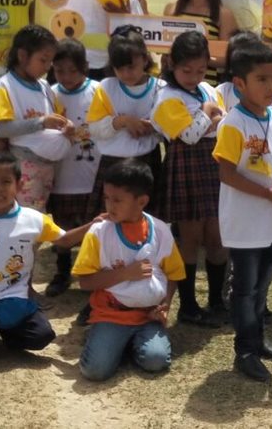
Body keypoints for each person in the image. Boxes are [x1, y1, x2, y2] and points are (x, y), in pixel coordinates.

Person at [0, 154, 93, 359]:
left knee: (41, 336)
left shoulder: (34, 220)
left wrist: (93, 225)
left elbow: (64, 240)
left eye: (6, 182)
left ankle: (5, 332)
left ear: (19, 185)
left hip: (13, 296)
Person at [213, 42, 272, 382]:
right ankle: (245, 350)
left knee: (263, 283)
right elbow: (227, 172)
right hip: (244, 221)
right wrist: (269, 194)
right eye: (260, 79)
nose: (270, 86)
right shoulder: (233, 124)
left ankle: (258, 337)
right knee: (245, 287)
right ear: (239, 84)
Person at [73, 159, 184, 381]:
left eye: (117, 200)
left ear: (141, 201)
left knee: (156, 362)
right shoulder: (99, 233)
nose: (109, 206)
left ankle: (121, 345)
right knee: (94, 372)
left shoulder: (161, 231)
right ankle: (105, 339)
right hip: (111, 315)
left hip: (147, 317)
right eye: (107, 198)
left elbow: (174, 274)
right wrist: (125, 274)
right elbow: (84, 282)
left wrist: (165, 305)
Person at [151, 31, 228, 327]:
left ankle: (217, 301)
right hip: (186, 169)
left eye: (199, 69)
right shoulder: (167, 97)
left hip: (213, 167)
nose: (194, 76)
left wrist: (209, 118)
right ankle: (189, 306)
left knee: (216, 237)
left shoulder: (209, 89)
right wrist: (209, 116)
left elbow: (223, 125)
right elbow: (190, 136)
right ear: (172, 64)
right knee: (190, 239)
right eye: (187, 70)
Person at [0, 25, 71, 211]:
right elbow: (2, 129)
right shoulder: (4, 86)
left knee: (38, 217)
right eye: (43, 60)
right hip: (25, 165)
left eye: (50, 61)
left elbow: (58, 118)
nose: (47, 67)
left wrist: (68, 129)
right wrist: (41, 122)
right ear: (22, 56)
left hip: (48, 166)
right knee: (28, 219)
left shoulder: (44, 86)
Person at [87, 27, 164, 223]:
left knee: (145, 215)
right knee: (110, 216)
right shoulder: (106, 88)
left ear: (145, 60)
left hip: (146, 161)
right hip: (113, 162)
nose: (126, 73)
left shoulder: (160, 88)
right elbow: (94, 128)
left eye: (131, 66)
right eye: (119, 68)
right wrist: (121, 121)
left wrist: (154, 127)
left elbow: (169, 127)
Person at [45, 38, 101, 297]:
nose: (66, 77)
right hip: (62, 173)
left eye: (73, 71)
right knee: (62, 227)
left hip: (91, 174)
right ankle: (62, 271)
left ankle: (92, 271)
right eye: (60, 70)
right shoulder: (50, 93)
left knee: (93, 227)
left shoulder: (99, 91)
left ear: (85, 68)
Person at [164, 0, 237, 84]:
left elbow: (228, 59)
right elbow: (162, 50)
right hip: (172, 86)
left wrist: (195, 58)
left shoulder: (224, 15)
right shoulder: (171, 9)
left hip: (206, 89)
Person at [215, 30, 265, 114]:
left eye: (250, 61)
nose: (245, 67)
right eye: (240, 62)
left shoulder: (271, 93)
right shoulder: (222, 92)